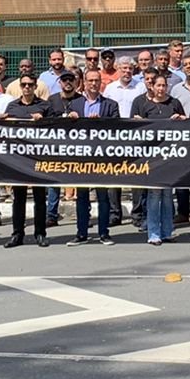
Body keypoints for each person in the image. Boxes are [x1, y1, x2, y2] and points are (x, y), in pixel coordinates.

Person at [63, 68, 119, 246]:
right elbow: (65, 131)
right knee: (82, 196)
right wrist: (69, 118)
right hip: (81, 157)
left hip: (102, 157)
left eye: (97, 80)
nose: (94, 84)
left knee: (103, 197)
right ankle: (81, 233)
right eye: (90, 80)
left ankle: (104, 233)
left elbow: (118, 130)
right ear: (84, 82)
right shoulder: (75, 104)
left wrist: (101, 120)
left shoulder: (111, 104)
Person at [130, 72, 185, 245]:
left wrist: (181, 119)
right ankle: (153, 233)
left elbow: (188, 126)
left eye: (164, 85)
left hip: (170, 156)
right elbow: (134, 129)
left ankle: (167, 231)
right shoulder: (144, 105)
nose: (161, 89)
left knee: (168, 195)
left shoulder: (174, 103)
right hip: (151, 157)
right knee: (154, 195)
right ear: (152, 87)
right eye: (158, 85)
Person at [2, 75, 52, 248]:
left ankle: (40, 233)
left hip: (38, 157)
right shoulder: (12, 106)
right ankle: (17, 234)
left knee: (39, 197)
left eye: (30, 85)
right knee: (19, 197)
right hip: (19, 158)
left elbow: (56, 129)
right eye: (24, 84)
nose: (27, 87)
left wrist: (44, 120)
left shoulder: (45, 106)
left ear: (35, 86)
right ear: (20, 86)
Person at [46, 70, 82, 225]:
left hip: (77, 146)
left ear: (76, 82)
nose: (68, 83)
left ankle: (82, 215)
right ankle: (51, 215)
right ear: (60, 83)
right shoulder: (52, 100)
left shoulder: (82, 100)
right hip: (56, 146)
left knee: (80, 181)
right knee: (54, 181)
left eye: (71, 80)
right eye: (64, 80)